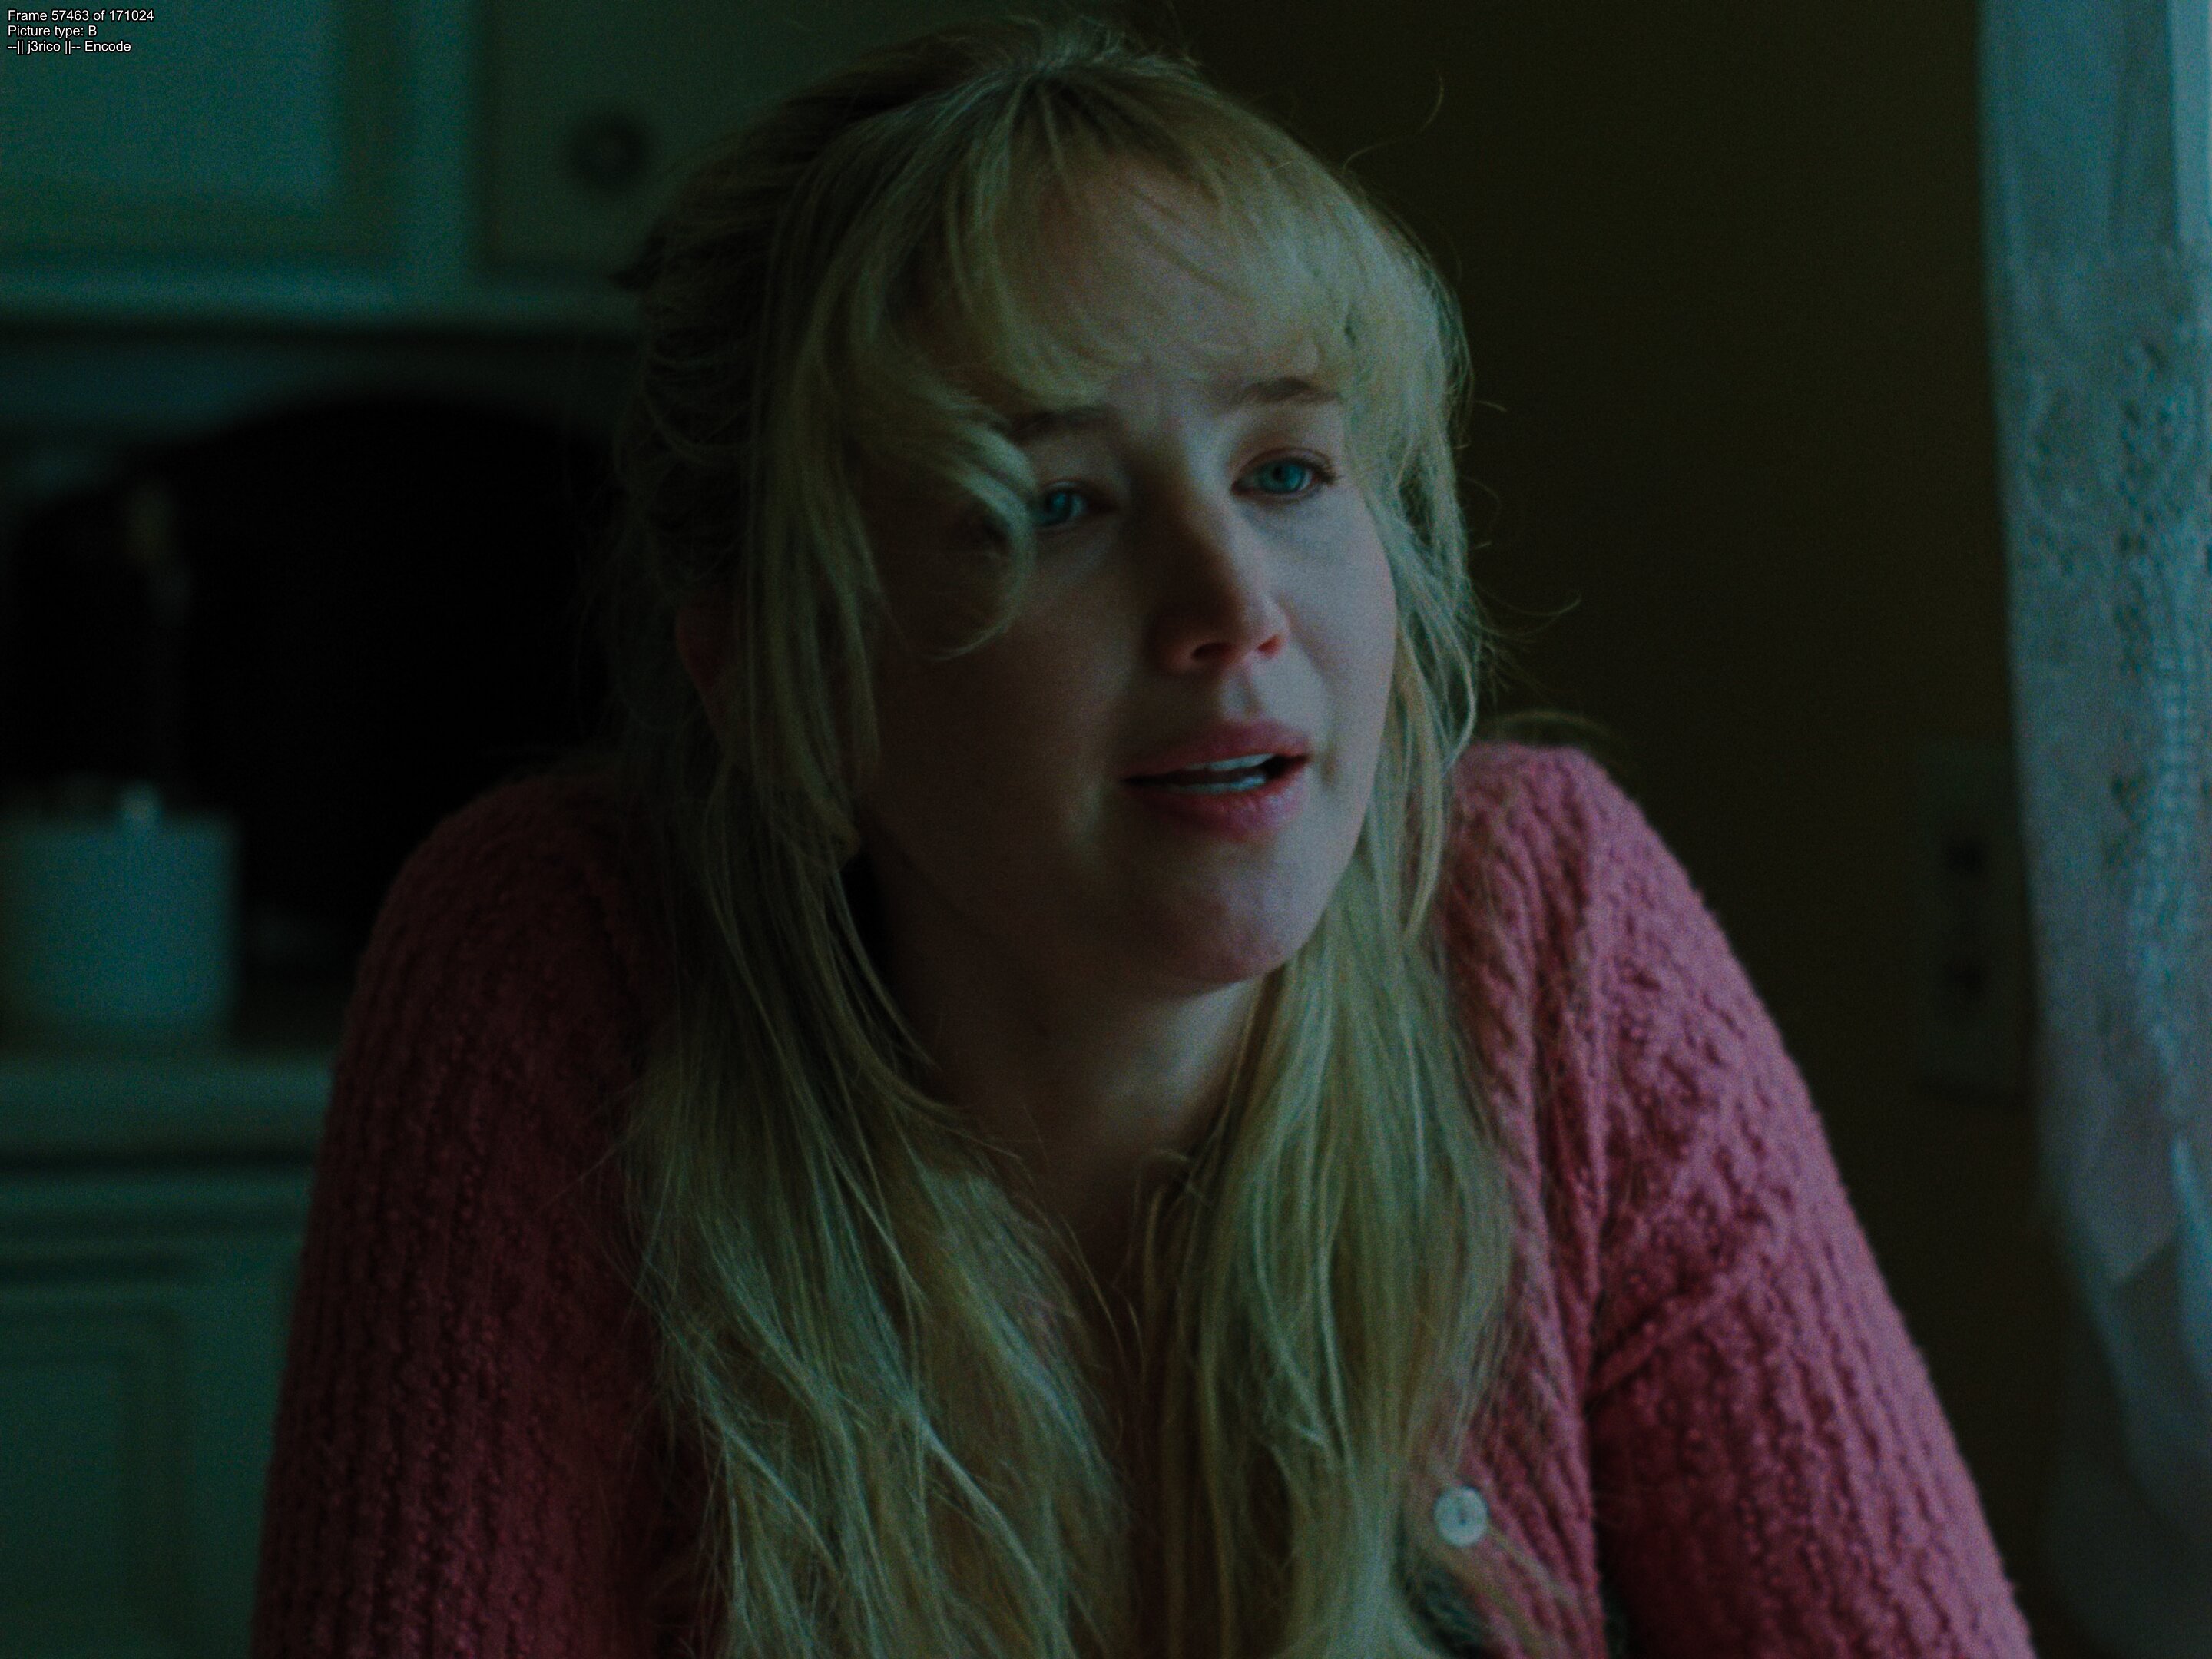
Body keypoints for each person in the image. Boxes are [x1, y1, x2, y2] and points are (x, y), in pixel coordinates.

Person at [249, 14, 2041, 1658]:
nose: (1233, 605)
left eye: (1287, 470)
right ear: (790, 683)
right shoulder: (560, 966)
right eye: (1056, 504)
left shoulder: (1543, 933)